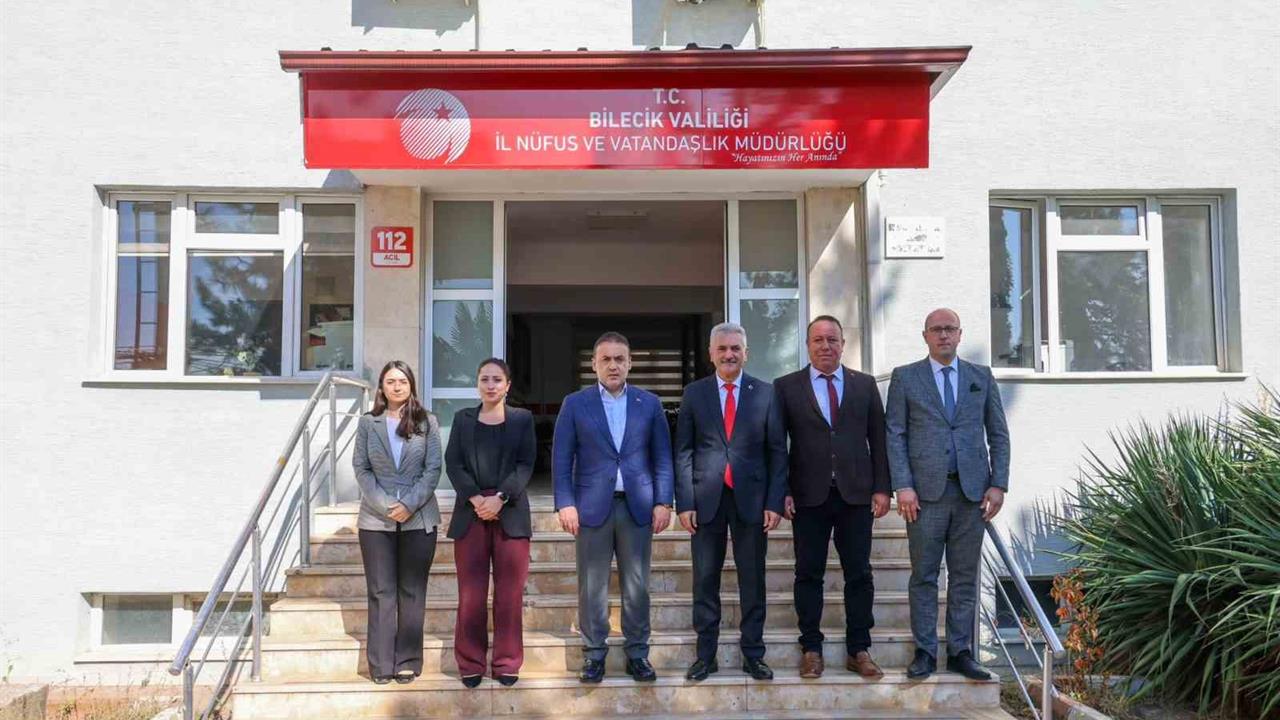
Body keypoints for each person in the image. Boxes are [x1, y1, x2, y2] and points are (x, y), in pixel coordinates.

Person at [885, 308, 1010, 681]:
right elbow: (895, 434)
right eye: (936, 329)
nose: (943, 335)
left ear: (960, 334)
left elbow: (998, 433)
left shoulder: (980, 377)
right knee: (924, 575)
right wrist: (903, 485)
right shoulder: (906, 378)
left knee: (964, 577)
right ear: (925, 335)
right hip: (925, 496)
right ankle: (925, 652)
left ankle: (961, 652)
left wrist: (999, 484)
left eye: (949, 329)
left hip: (973, 494)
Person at [552, 331, 675, 683]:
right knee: (592, 586)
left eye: (620, 359)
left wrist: (663, 501)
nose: (613, 365)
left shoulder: (649, 403)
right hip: (590, 508)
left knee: (637, 585)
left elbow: (662, 457)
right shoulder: (575, 404)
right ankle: (594, 654)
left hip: (638, 507)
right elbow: (561, 459)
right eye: (605, 359)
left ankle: (638, 653)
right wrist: (565, 504)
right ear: (594, 364)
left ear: (630, 363)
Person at [774, 315, 891, 680]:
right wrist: (782, 491)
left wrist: (882, 487)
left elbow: (879, 439)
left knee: (859, 573)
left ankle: (859, 649)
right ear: (807, 345)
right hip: (808, 496)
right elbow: (778, 445)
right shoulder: (786, 387)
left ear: (843, 344)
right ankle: (811, 648)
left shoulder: (864, 385)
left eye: (832, 339)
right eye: (818, 340)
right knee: (808, 573)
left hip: (856, 496)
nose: (826, 346)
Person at [675, 322, 787, 682]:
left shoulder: (766, 393)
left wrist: (774, 502)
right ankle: (705, 656)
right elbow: (684, 452)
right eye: (722, 349)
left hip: (752, 500)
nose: (729, 354)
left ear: (746, 353)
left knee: (752, 580)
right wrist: (685, 503)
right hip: (706, 500)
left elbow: (777, 452)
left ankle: (753, 654)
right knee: (704, 580)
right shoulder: (694, 394)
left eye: (735, 348)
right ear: (711, 354)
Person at [445, 358, 537, 688]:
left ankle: (506, 662)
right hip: (471, 514)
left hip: (510, 512)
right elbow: (453, 463)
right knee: (471, 594)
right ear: (477, 384)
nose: (490, 385)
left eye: (497, 379)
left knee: (509, 595)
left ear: (508, 385)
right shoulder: (463, 419)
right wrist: (476, 498)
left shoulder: (522, 419)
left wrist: (500, 497)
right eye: (484, 379)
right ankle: (470, 662)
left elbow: (526, 463)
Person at [352, 360, 443, 685]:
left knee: (412, 591)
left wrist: (409, 504)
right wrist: (385, 504)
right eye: (390, 381)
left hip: (419, 518)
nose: (397, 386)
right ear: (381, 387)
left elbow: (433, 468)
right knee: (381, 591)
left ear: (411, 385)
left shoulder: (427, 422)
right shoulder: (368, 423)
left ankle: (407, 660)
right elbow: (361, 467)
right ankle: (380, 664)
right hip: (376, 521)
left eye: (402, 380)